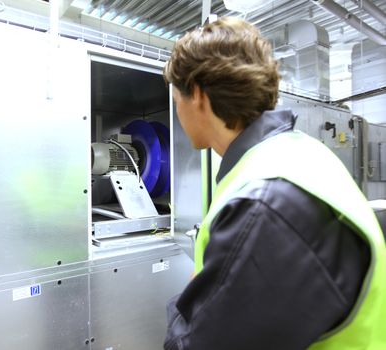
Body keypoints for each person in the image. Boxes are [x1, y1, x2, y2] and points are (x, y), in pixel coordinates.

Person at [163, 17, 386, 350]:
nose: (175, 109)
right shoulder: (299, 153)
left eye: (175, 97)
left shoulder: (265, 202)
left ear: (197, 96)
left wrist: (187, 301)